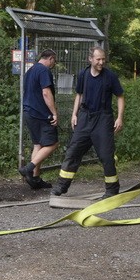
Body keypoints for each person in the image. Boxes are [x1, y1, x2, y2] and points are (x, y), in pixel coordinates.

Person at [51, 47, 126, 199]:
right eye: (98, 59)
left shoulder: (110, 76)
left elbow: (120, 96)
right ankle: (61, 186)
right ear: (90, 59)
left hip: (103, 118)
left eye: (103, 59)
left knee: (106, 155)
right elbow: (79, 95)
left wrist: (119, 117)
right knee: (73, 151)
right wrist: (74, 115)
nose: (101, 62)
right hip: (84, 117)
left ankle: (112, 189)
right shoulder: (83, 74)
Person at [19, 48, 59, 190]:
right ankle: (28, 168)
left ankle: (35, 179)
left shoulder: (30, 71)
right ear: (51, 59)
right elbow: (46, 92)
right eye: (54, 61)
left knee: (38, 145)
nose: (53, 64)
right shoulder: (43, 71)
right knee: (53, 144)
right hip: (41, 113)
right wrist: (54, 113)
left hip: (29, 112)